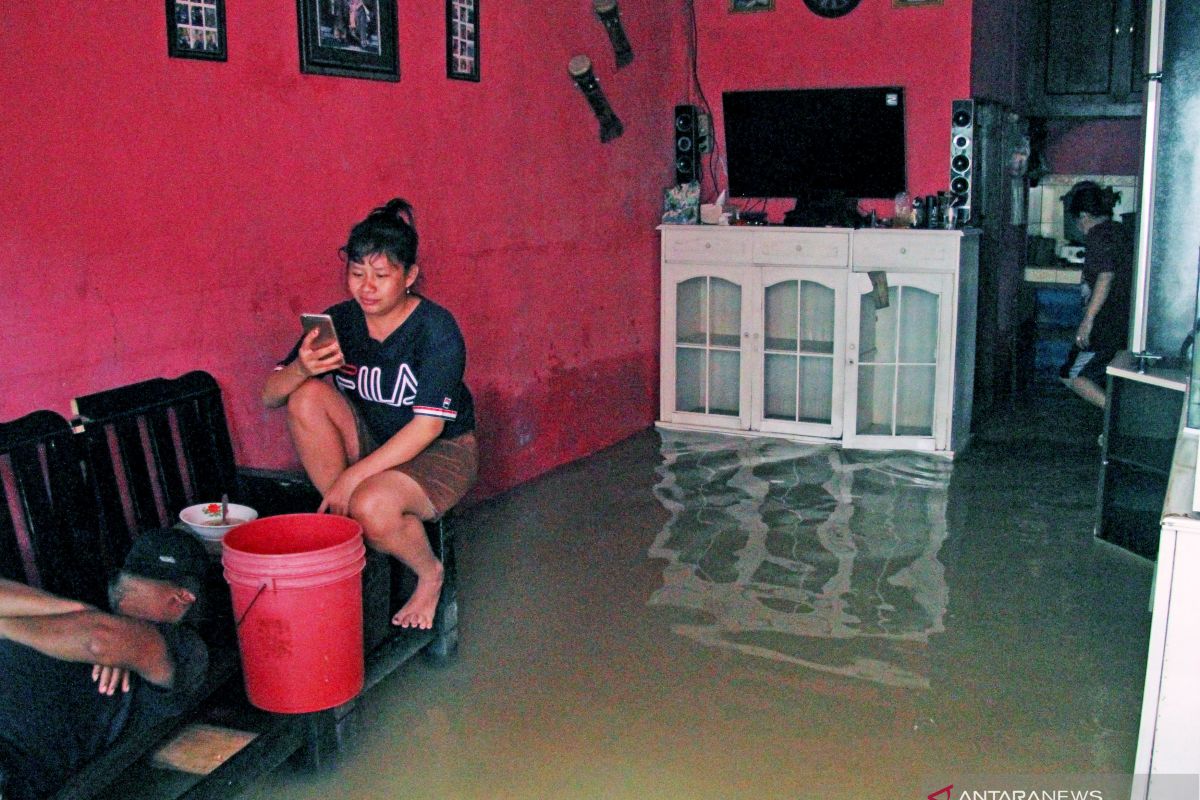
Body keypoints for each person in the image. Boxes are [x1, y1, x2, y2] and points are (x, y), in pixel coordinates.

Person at [263, 198, 477, 630]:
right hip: (373, 439)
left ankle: (429, 573)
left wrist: (351, 477)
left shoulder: (436, 329)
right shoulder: (339, 321)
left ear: (410, 276)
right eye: (357, 274)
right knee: (304, 396)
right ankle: (348, 535)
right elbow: (270, 396)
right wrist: (303, 368)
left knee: (373, 505)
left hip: (439, 451)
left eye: (381, 276)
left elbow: (427, 427)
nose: (367, 287)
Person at [0, 528, 210, 800]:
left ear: (182, 597)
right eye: (128, 575)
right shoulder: (77, 612)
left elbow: (99, 641)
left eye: (140, 580)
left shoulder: (183, 647)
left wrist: (5, 625)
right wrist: (75, 609)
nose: (124, 583)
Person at [1063, 182, 1135, 409]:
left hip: (1106, 322)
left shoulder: (1098, 235)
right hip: (1120, 319)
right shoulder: (1118, 230)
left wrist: (1088, 320)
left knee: (1075, 376)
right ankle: (1114, 424)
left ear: (1083, 215)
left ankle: (1116, 421)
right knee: (1081, 372)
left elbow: (1105, 276)